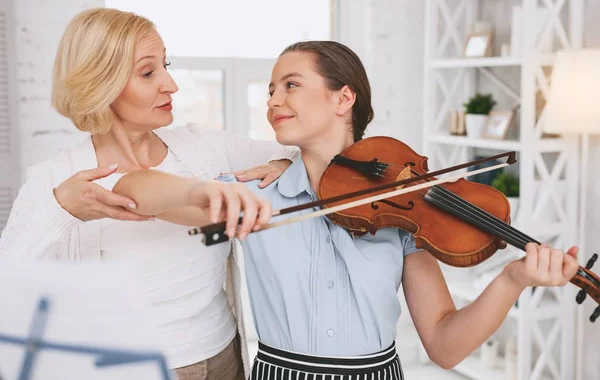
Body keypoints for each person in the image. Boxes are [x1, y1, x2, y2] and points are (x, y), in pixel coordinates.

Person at [112, 41, 580, 380]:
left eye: (291, 85)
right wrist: (210, 195)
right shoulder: (254, 194)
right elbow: (136, 189)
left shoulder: (404, 209)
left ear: (344, 97)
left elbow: (444, 344)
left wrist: (513, 280)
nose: (273, 99)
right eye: (271, 89)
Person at [0, 8, 298, 380]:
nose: (170, 84)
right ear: (101, 83)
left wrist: (283, 163)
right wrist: (61, 210)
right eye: (148, 72)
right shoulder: (54, 179)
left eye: (165, 64)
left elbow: (299, 148)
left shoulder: (202, 146)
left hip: (222, 355)